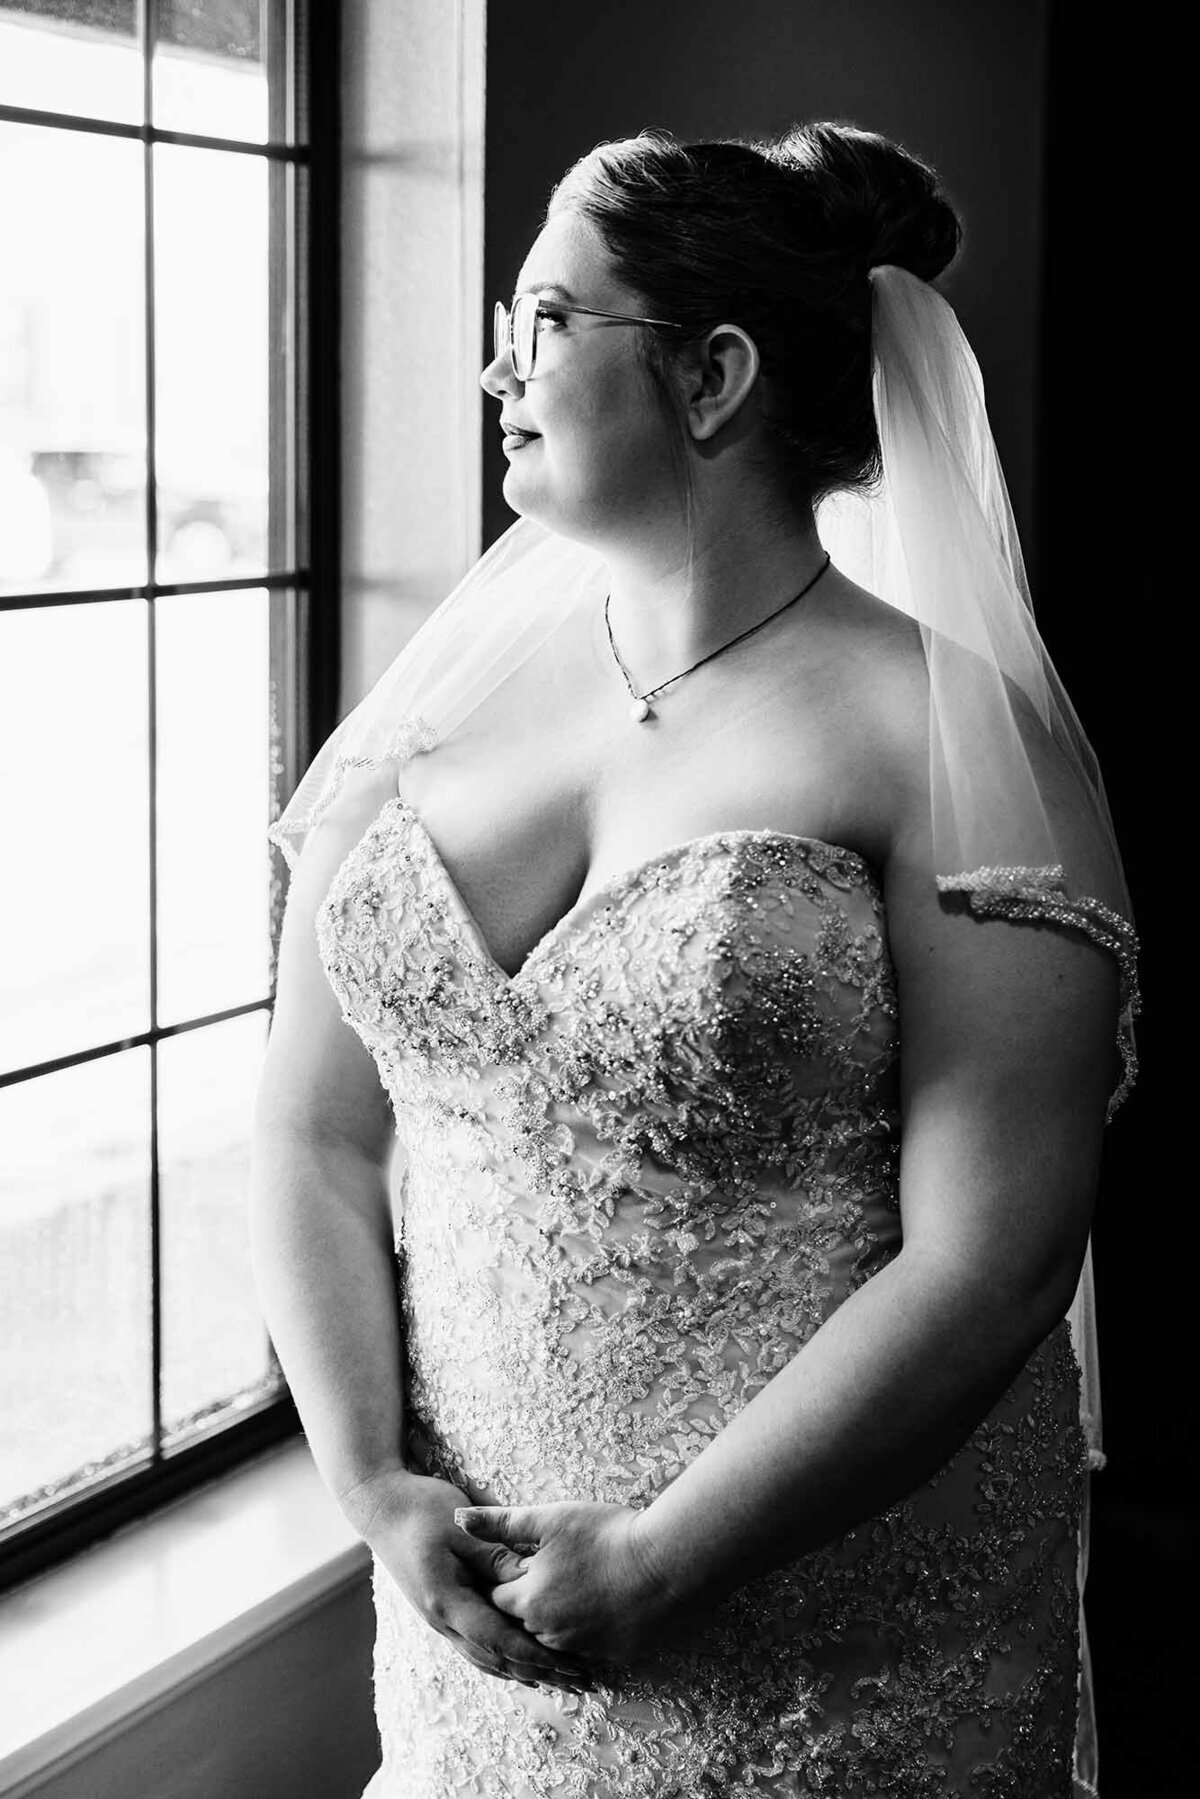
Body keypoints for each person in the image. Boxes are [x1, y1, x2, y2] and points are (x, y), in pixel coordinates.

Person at [250, 123, 1137, 1799]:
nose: (497, 369)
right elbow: (316, 1131)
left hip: (834, 1649)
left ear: (714, 374)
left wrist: (668, 1558)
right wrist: (374, 1483)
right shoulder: (430, 721)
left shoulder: (948, 741)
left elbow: (997, 1261)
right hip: (470, 1638)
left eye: (545, 322)